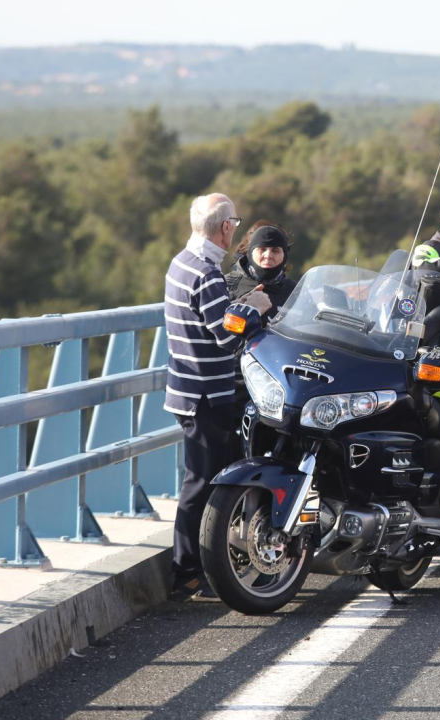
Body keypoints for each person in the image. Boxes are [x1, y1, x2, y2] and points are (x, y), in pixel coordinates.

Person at [164, 193, 272, 600]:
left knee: (203, 480)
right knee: (206, 484)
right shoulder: (208, 273)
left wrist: (238, 306)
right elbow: (226, 338)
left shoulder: (181, 262)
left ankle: (199, 570)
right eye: (235, 224)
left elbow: (210, 320)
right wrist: (255, 307)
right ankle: (189, 573)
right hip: (206, 394)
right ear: (226, 227)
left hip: (186, 388)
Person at [225, 221, 295, 322]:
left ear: (284, 255)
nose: (268, 256)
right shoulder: (226, 285)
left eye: (275, 251)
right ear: (250, 252)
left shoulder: (295, 292)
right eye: (262, 249)